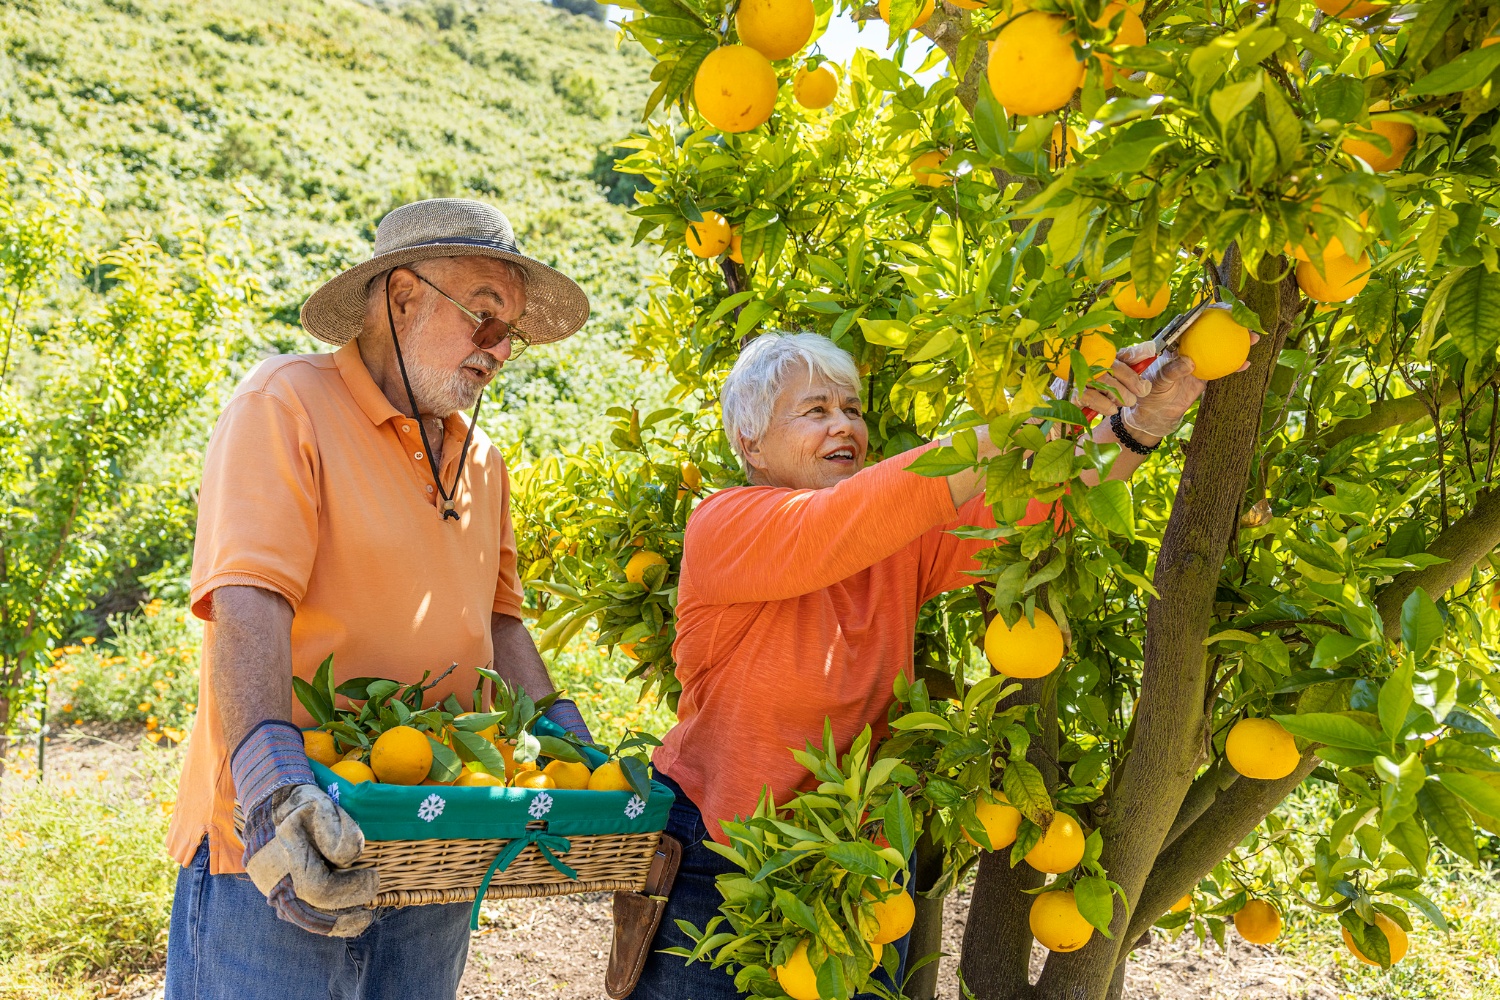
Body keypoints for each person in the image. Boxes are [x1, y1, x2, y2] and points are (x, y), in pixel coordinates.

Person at [630, 330, 1222, 998]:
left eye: (851, 409)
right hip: (721, 847)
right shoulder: (726, 522)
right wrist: (1030, 416)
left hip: (859, 855)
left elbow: (1030, 508)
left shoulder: (892, 537)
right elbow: (847, 518)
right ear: (750, 444)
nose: (843, 425)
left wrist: (1141, 422)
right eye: (816, 410)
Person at [163, 198, 596, 999]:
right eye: (486, 317)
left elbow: (499, 623)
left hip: (438, 832)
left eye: (514, 333)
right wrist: (274, 796)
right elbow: (248, 599)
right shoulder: (285, 403)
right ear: (402, 298)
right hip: (287, 843)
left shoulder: (482, 458)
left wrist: (576, 750)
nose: (500, 348)